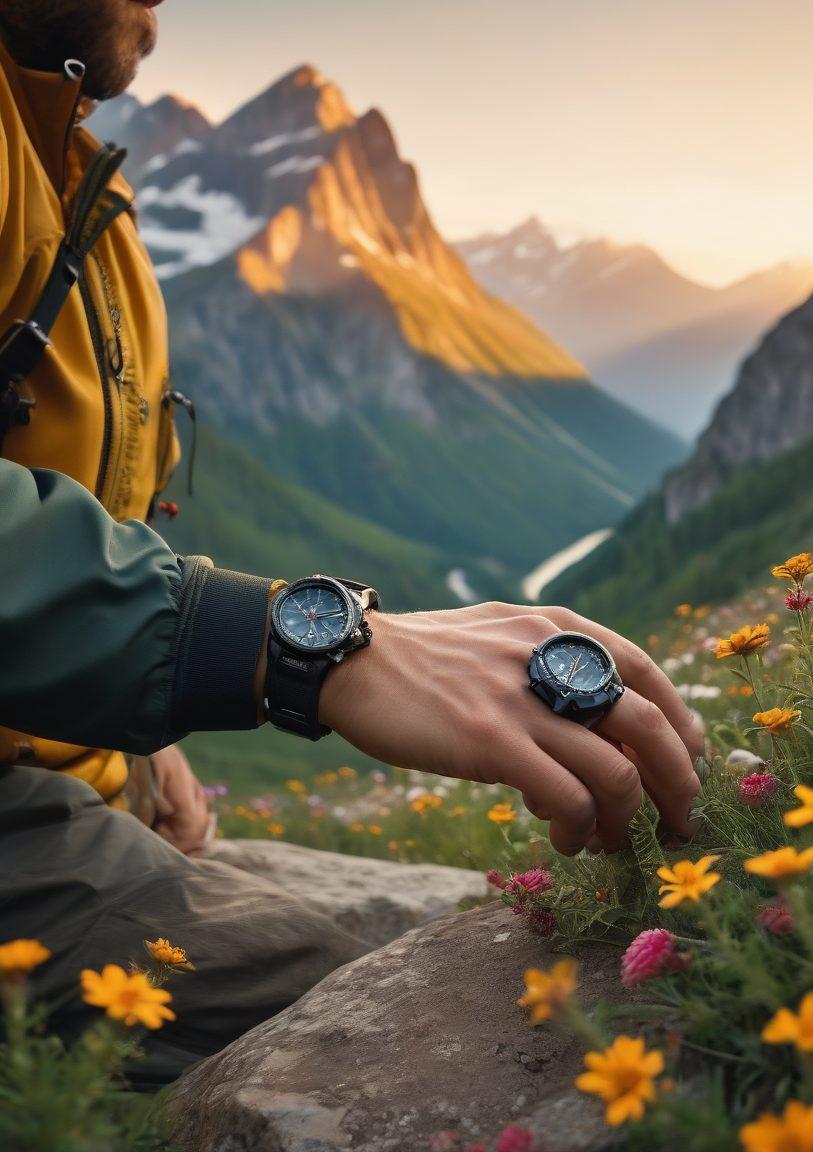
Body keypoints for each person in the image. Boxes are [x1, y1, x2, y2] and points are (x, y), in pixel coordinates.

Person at [0, 0, 703, 1086]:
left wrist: (126, 729)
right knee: (360, 1012)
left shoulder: (80, 166)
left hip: (49, 741)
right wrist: (301, 646)